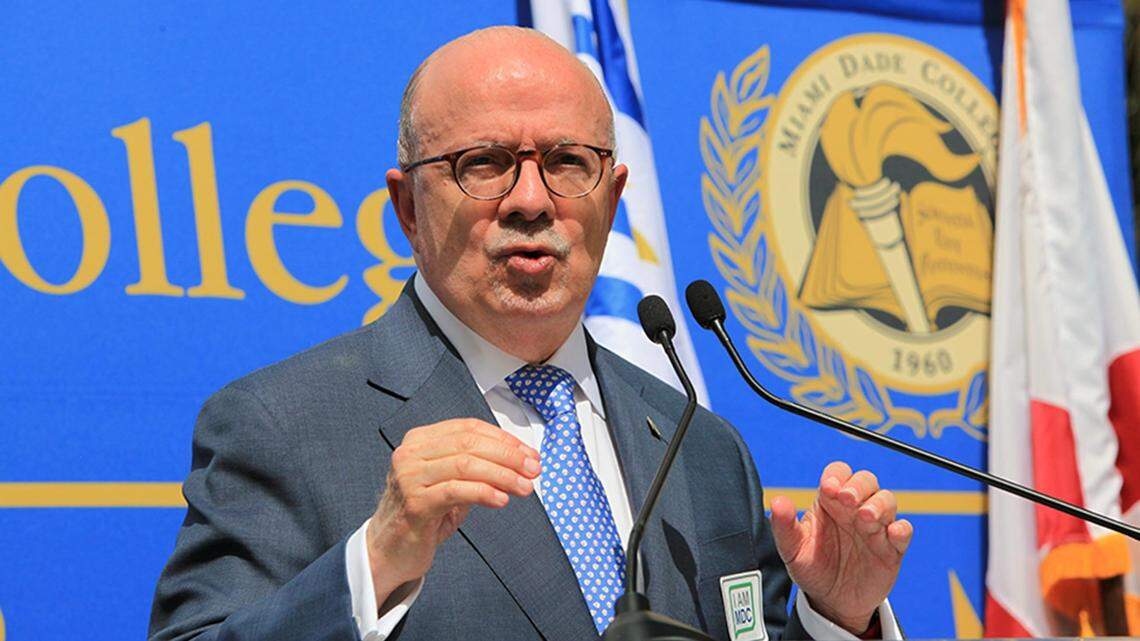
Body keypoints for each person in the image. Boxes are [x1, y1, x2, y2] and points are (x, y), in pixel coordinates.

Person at [148, 26, 912, 641]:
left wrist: (837, 621)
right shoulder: (285, 425)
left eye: (564, 162)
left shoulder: (701, 444)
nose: (530, 200)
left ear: (611, 199)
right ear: (408, 205)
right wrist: (374, 562)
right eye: (483, 163)